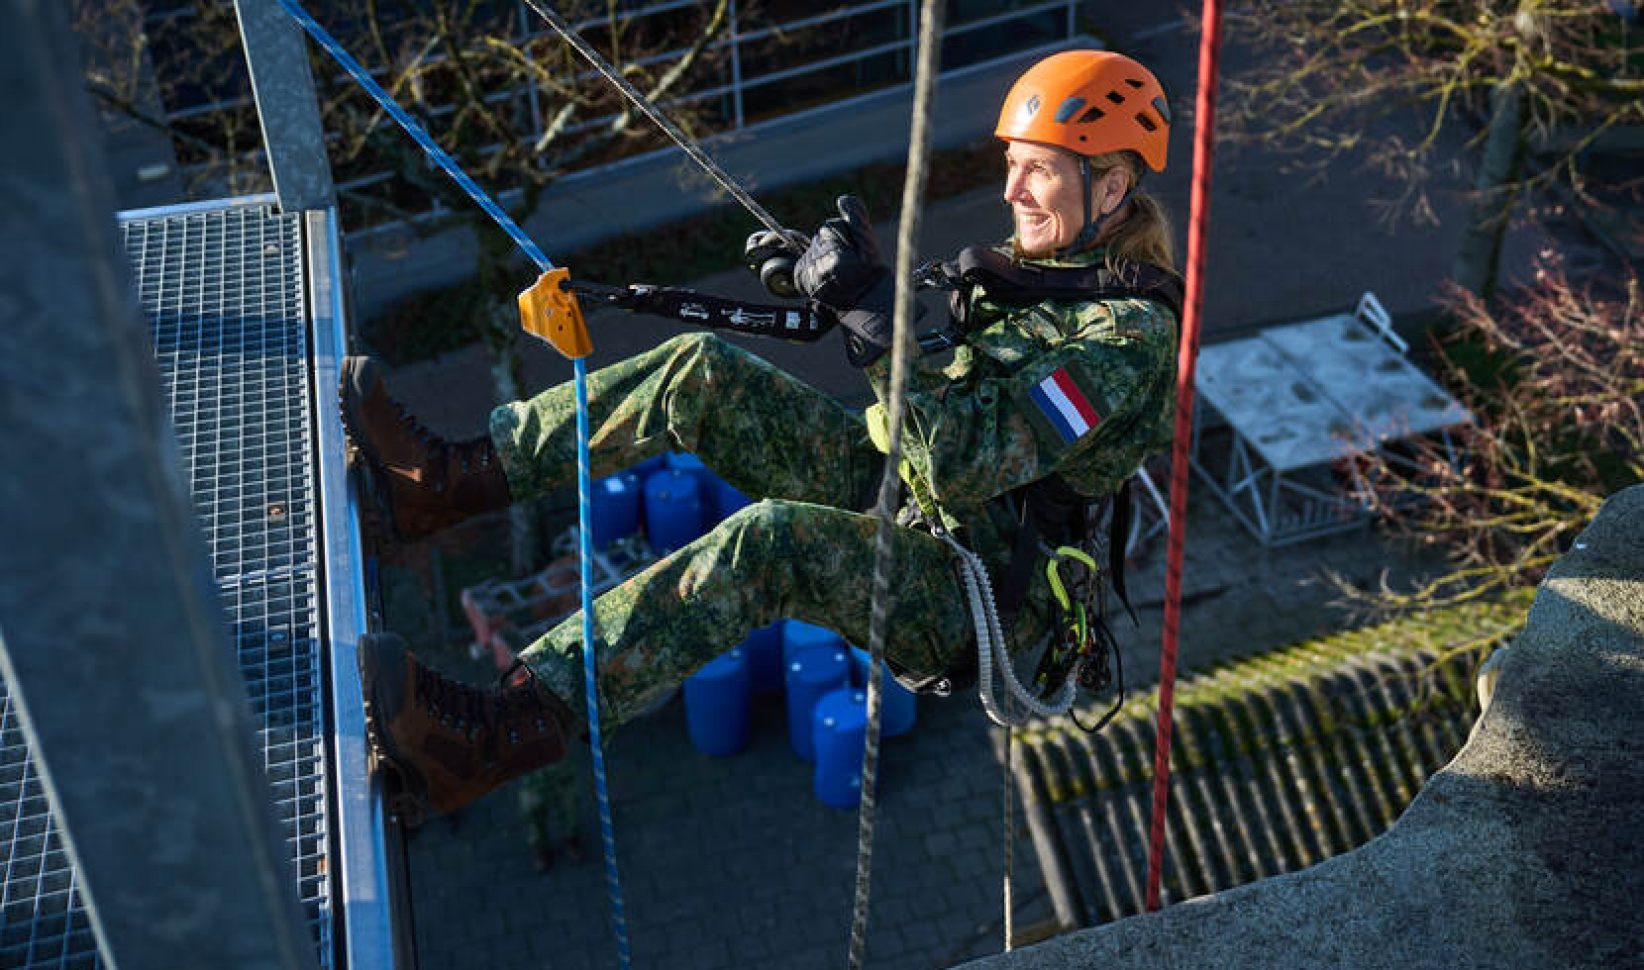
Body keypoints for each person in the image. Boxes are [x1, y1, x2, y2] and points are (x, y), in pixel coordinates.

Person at [347, 49, 1181, 825]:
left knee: (770, 545)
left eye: (1038, 169)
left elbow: (964, 460)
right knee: (694, 372)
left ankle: (491, 737)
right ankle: (436, 483)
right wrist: (831, 291)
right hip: (910, 488)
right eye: (1011, 165)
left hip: (983, 586)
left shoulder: (1127, 342)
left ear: (1109, 188)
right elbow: (934, 385)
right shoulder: (1041, 272)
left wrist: (871, 328)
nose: (1013, 191)